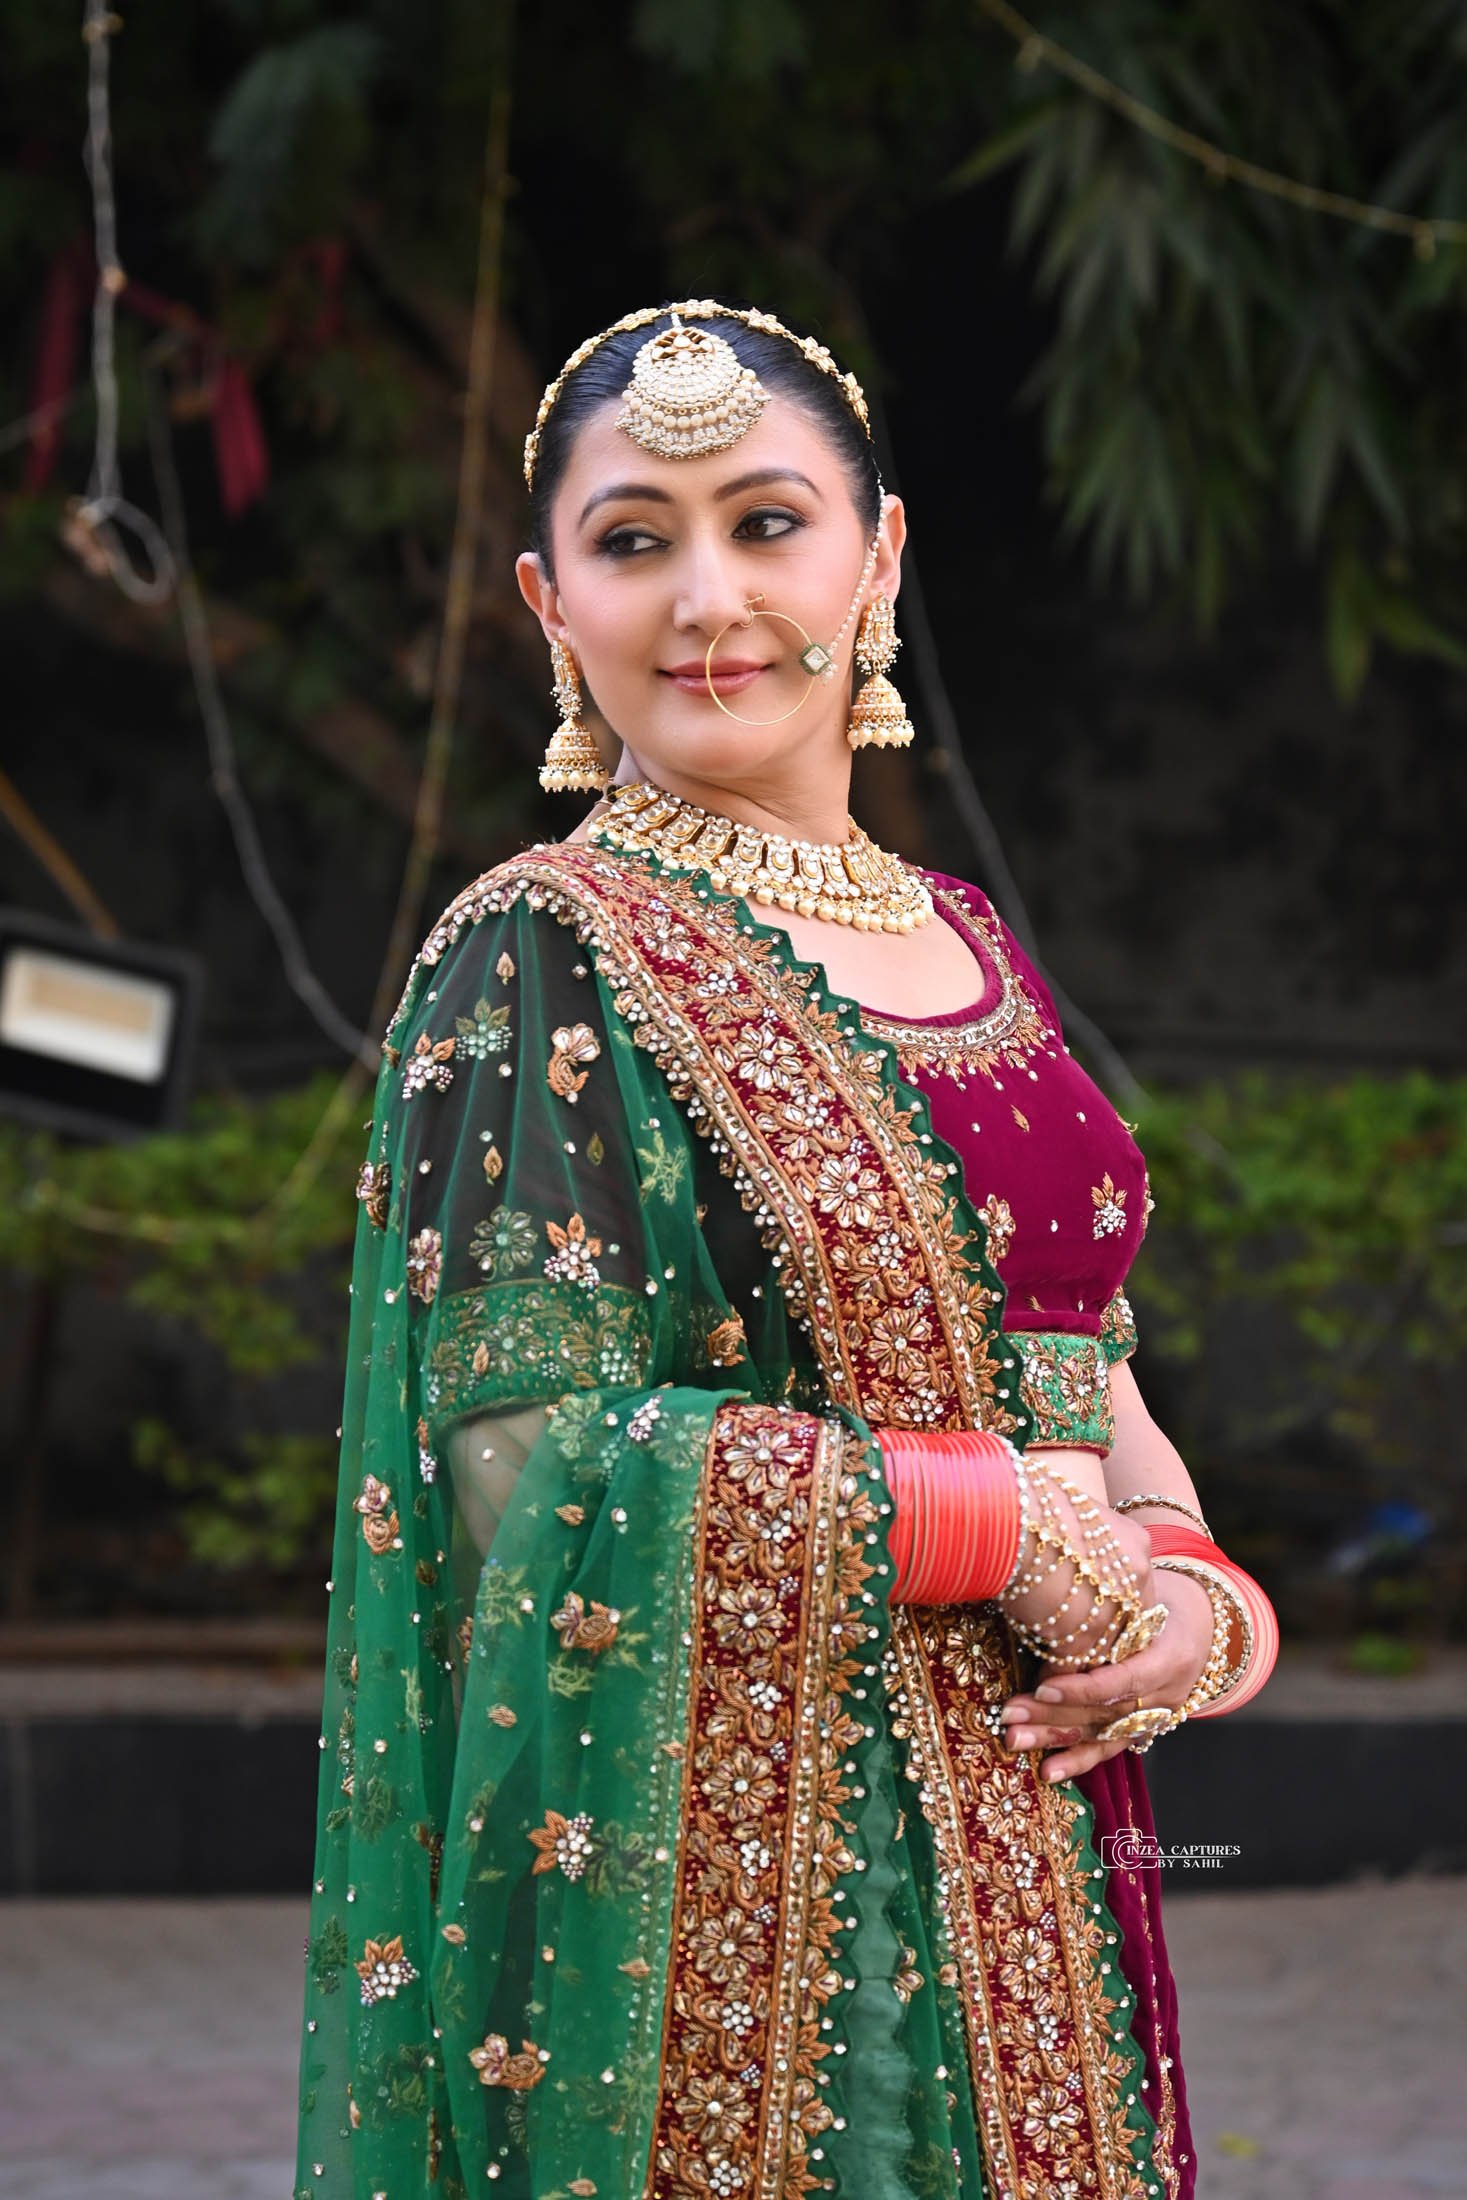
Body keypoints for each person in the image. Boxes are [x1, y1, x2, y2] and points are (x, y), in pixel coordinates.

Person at [293, 300, 1279, 2200]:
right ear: (549, 600)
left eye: (766, 523)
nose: (706, 601)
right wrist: (992, 1521)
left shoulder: (963, 930)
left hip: (1050, 1841)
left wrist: (1193, 1596)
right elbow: (524, 1467)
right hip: (742, 1909)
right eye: (633, 540)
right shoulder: (543, 946)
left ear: (880, 552)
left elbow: (1081, 1360)